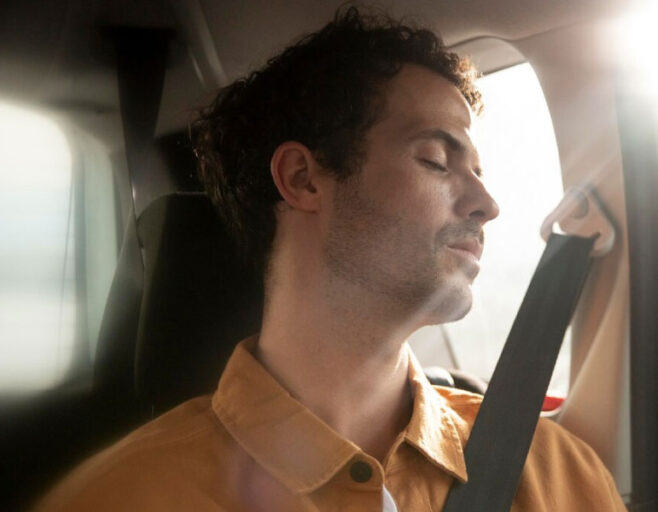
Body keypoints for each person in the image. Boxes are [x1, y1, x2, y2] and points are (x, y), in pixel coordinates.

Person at [35, 7, 626, 511]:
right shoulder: (125, 496)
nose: (487, 205)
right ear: (302, 179)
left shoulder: (556, 474)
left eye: (478, 171)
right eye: (435, 161)